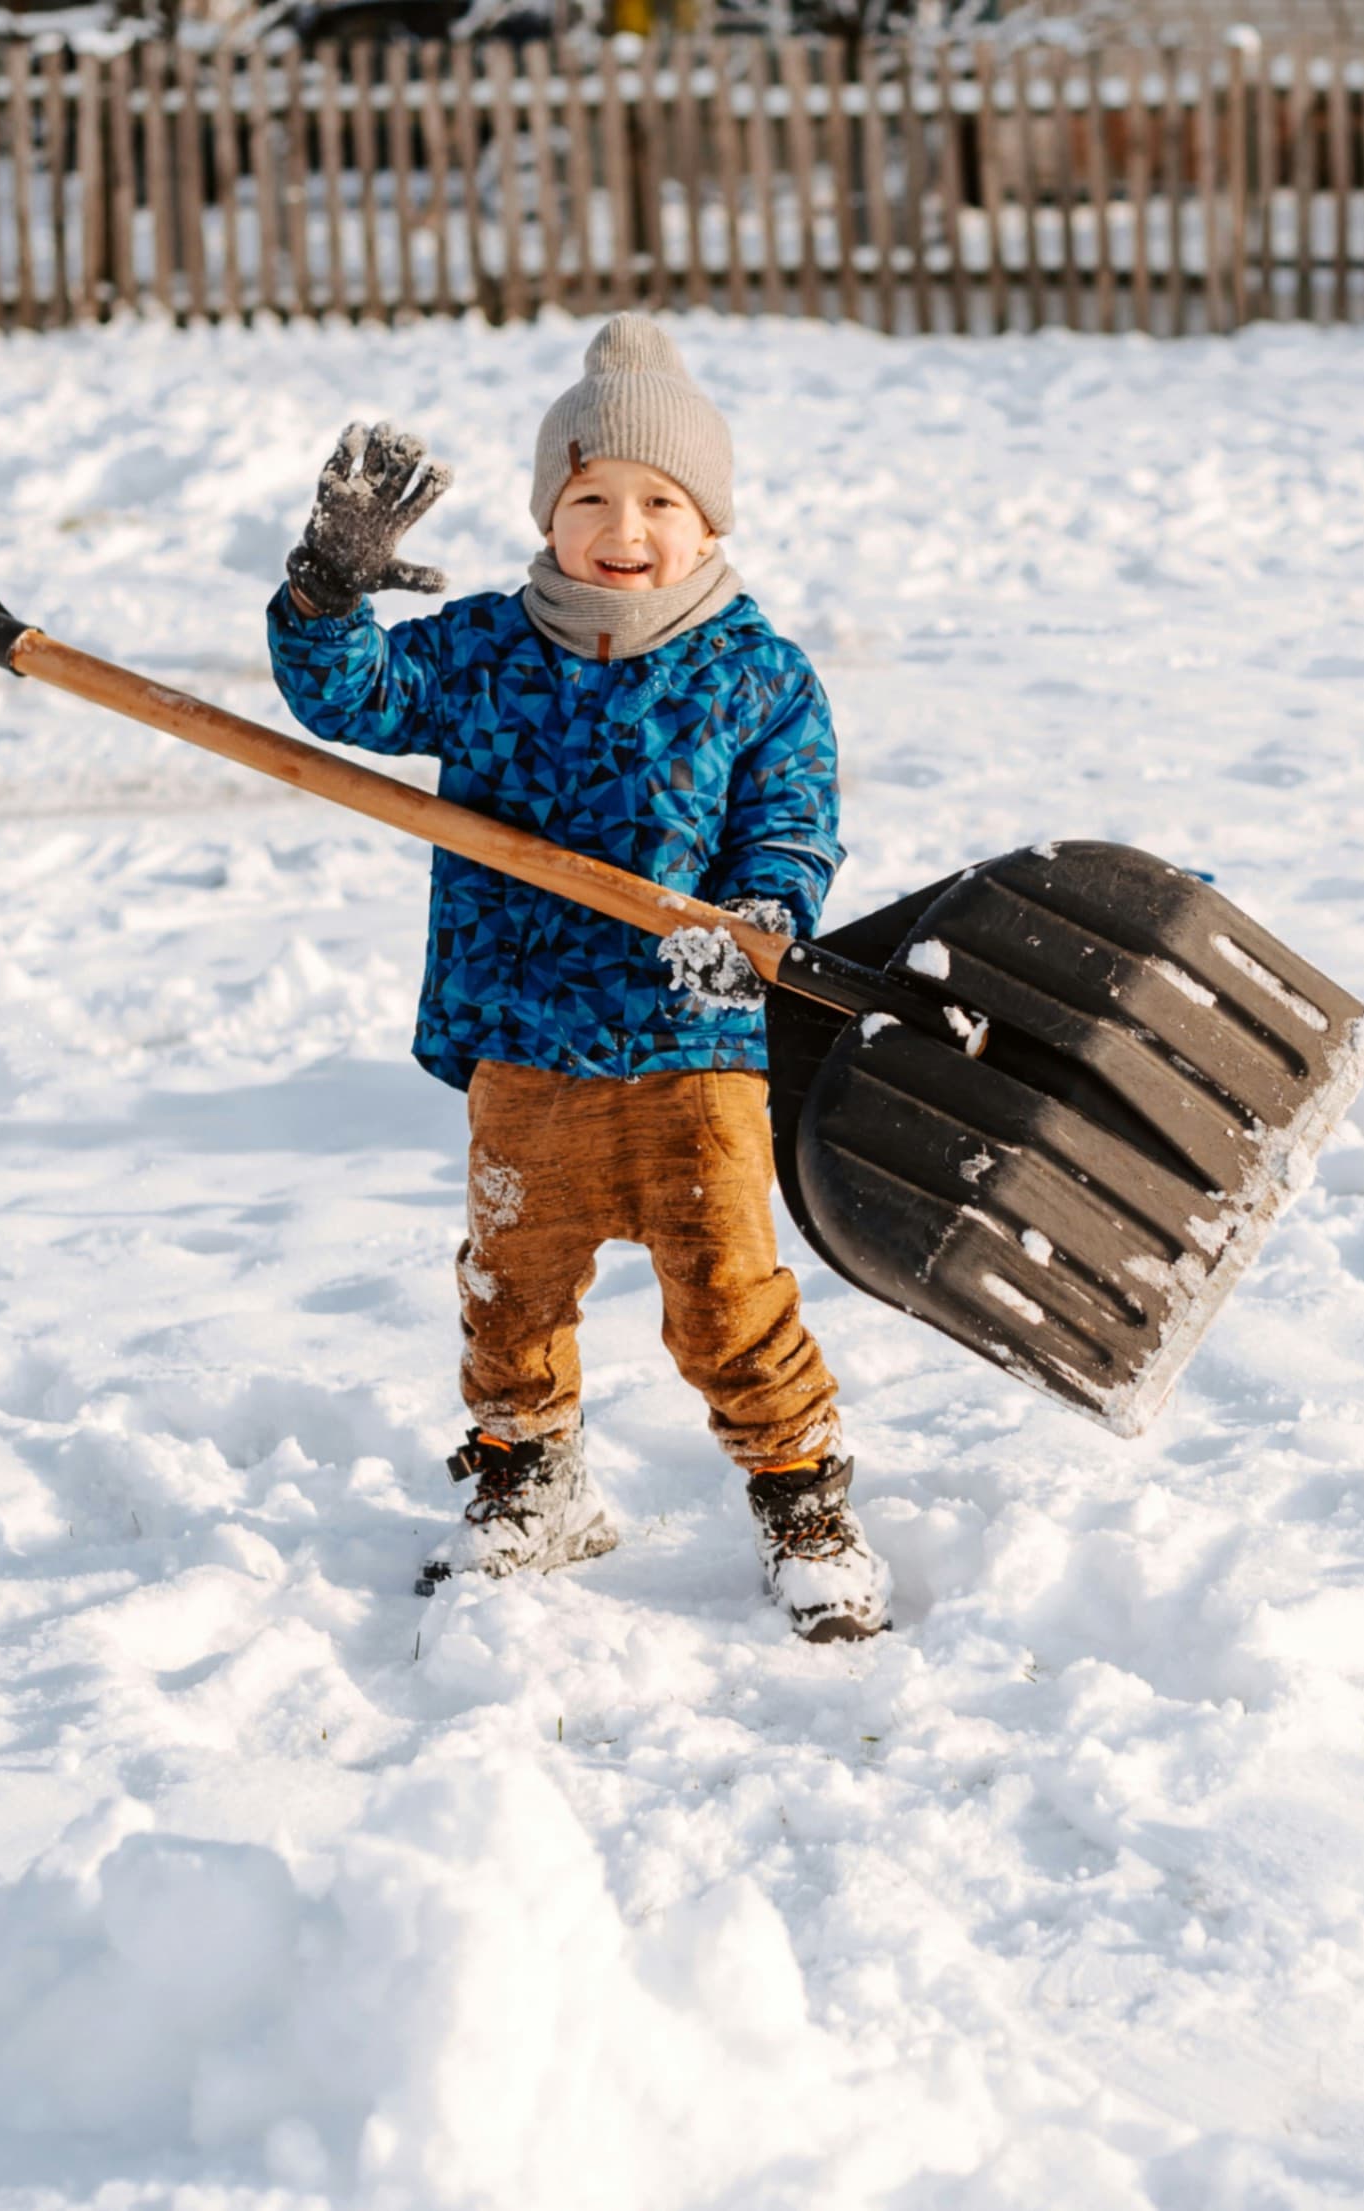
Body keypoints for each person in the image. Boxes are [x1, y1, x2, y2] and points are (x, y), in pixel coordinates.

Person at [265, 316, 888, 1642]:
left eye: (660, 500)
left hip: (691, 1040)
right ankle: (530, 1484)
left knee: (728, 1292)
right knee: (511, 1289)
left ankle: (804, 1504)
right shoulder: (488, 651)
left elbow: (791, 822)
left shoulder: (756, 675)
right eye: (589, 495)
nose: (623, 525)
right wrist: (328, 592)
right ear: (548, 512)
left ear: (707, 524)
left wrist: (759, 913)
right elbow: (356, 704)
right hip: (527, 1037)